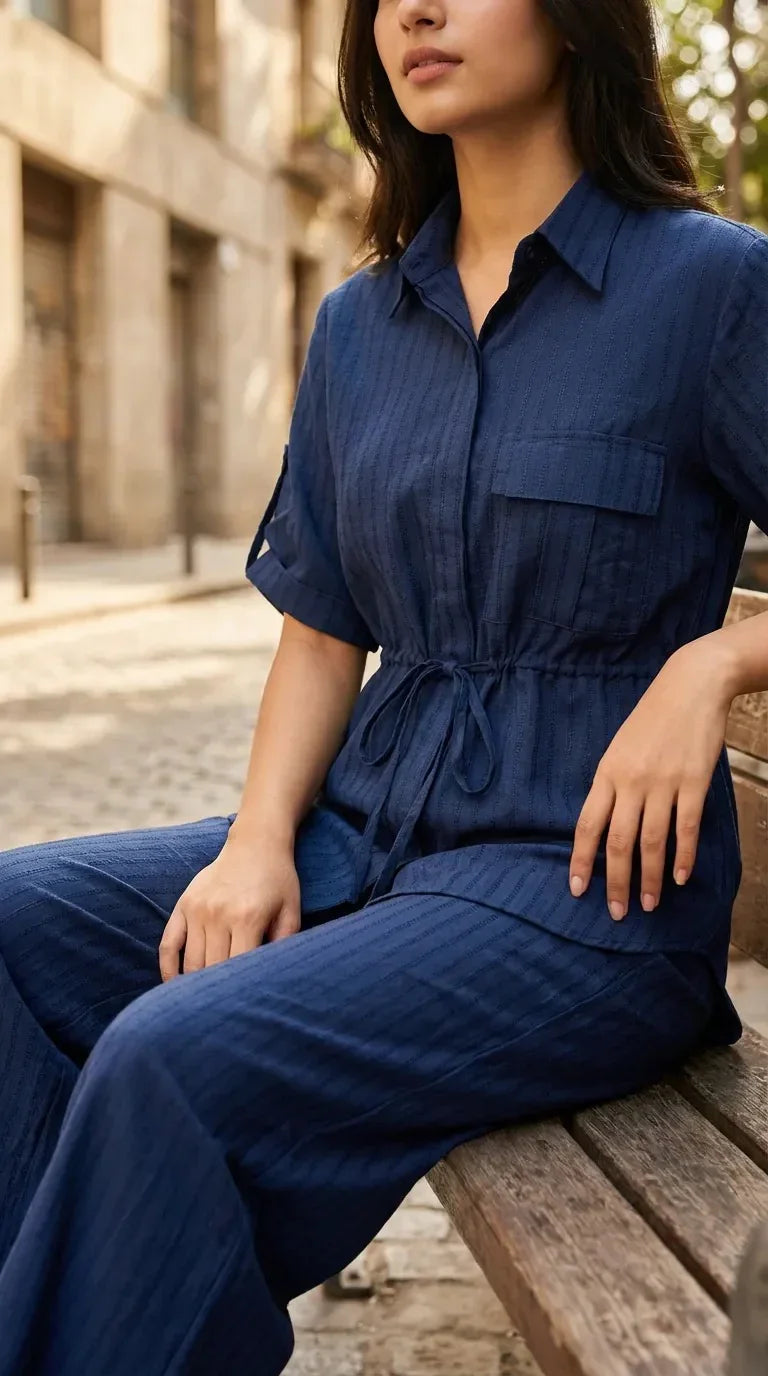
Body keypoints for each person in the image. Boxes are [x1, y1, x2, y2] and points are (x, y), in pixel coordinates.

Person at [1, 0, 767, 1371]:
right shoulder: (359, 324)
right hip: (366, 835)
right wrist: (253, 841)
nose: (413, 7)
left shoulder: (711, 289)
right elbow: (321, 626)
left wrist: (718, 659)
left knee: (169, 1061)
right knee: (11, 928)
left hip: (584, 885)